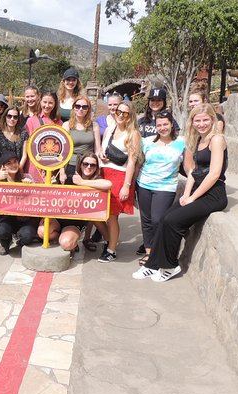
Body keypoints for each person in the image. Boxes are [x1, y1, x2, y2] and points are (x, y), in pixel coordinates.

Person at [134, 104, 228, 282]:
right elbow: (194, 171)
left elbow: (214, 174)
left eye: (205, 120)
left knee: (172, 221)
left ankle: (170, 265)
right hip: (196, 190)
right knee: (163, 218)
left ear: (212, 120)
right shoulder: (199, 141)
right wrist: (186, 194)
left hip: (213, 194)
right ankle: (152, 264)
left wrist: (193, 197)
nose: (201, 124)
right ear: (192, 122)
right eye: (197, 120)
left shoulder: (217, 139)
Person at [134, 111, 186, 267]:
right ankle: (149, 253)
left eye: (165, 124)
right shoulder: (146, 141)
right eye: (159, 125)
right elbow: (138, 164)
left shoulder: (182, 142)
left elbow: (190, 167)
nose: (162, 128)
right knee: (146, 220)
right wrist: (130, 185)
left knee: (158, 220)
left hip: (166, 187)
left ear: (171, 124)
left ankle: (158, 253)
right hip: (143, 184)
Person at [38, 151, 111, 254]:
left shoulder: (95, 181)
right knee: (42, 232)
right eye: (85, 164)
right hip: (58, 218)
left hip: (75, 223)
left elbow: (108, 184)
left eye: (93, 165)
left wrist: (82, 182)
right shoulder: (70, 177)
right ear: (80, 165)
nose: (89, 167)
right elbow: (52, 195)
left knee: (66, 244)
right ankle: (63, 238)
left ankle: (72, 241)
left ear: (96, 168)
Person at [98, 100, 144, 262]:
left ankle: (111, 250)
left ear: (130, 116)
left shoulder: (133, 134)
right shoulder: (111, 128)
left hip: (119, 176)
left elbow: (132, 161)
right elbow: (103, 149)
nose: (121, 116)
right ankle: (110, 240)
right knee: (98, 214)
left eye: (125, 113)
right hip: (103, 173)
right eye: (119, 111)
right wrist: (101, 155)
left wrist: (127, 185)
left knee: (112, 216)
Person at [0, 152, 40, 255]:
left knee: (27, 236)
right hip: (7, 220)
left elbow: (37, 196)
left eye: (15, 162)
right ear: (3, 166)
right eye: (8, 163)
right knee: (0, 231)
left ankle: (20, 241)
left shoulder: (26, 177)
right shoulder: (0, 182)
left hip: (25, 219)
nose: (13, 165)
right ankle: (5, 242)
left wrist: (30, 185)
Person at [59, 95, 102, 184]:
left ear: (88, 109)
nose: (81, 109)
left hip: (88, 166)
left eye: (84, 107)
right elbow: (62, 151)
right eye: (77, 106)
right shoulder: (67, 125)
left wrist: (98, 169)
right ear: (74, 108)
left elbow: (97, 150)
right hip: (71, 164)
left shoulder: (94, 126)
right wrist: (62, 172)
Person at [24, 91, 64, 183]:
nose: (47, 105)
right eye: (44, 102)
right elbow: (27, 145)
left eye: (50, 103)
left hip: (52, 167)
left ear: (55, 104)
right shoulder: (31, 121)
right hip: (34, 165)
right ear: (40, 102)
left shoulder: (59, 123)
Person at [0, 105, 29, 175]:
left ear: (18, 119)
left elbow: (24, 155)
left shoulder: (23, 133)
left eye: (15, 117)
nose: (12, 119)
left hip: (17, 172)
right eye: (9, 116)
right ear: (5, 117)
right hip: (1, 172)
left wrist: (18, 170)